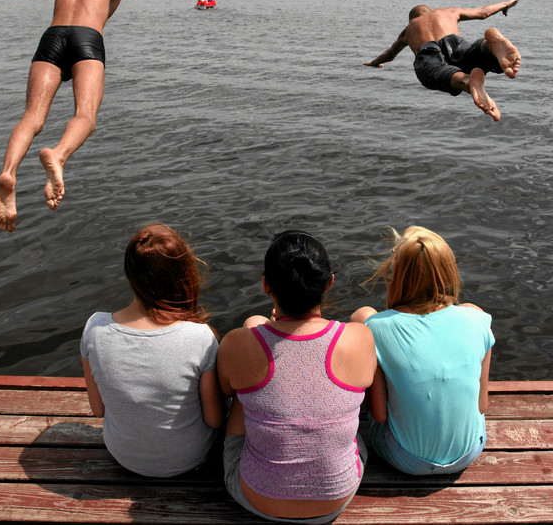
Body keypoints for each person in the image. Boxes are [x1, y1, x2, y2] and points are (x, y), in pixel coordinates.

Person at [0, 0, 195, 231]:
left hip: (52, 39)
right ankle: (58, 156)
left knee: (32, 117)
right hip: (86, 38)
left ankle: (8, 173)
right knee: (86, 116)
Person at [217, 231, 377, 523]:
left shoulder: (236, 343)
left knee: (246, 392)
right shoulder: (360, 338)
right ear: (329, 282)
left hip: (258, 497)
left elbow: (226, 389)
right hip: (337, 496)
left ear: (266, 285)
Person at [79, 223, 225, 477]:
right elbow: (214, 420)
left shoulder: (94, 328)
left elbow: (98, 409)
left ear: (130, 276)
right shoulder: (200, 337)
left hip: (124, 456)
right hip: (190, 459)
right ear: (183, 275)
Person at [351, 226, 494, 476]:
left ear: (399, 276)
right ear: (449, 271)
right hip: (469, 451)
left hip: (405, 457)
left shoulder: (376, 327)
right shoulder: (478, 321)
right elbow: (482, 405)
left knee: (362, 315)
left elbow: (380, 416)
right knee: (472, 308)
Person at [362, 0, 521, 120]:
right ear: (429, 10)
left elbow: (389, 54)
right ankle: (488, 47)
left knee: (436, 72)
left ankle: (467, 82)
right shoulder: (448, 12)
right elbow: (483, 12)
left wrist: (374, 63)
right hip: (452, 41)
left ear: (411, 19)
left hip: (428, 49)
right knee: (470, 55)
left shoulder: (410, 27)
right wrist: (505, 4)